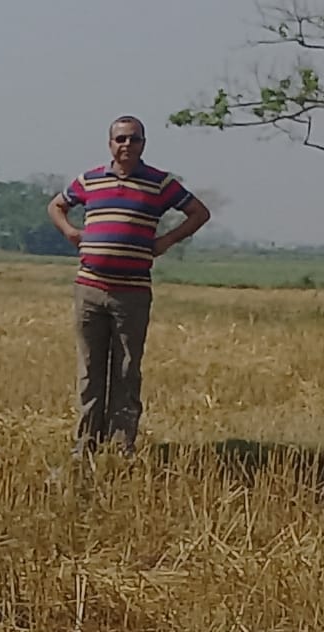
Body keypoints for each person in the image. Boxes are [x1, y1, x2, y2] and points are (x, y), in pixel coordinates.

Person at [48, 116, 211, 456]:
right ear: (110, 144)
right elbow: (57, 205)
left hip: (132, 293)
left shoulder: (159, 183)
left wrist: (166, 241)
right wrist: (71, 233)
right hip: (90, 289)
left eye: (133, 139)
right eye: (120, 139)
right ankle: (86, 445)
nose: (126, 145)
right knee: (90, 371)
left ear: (143, 144)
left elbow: (198, 212)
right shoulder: (90, 180)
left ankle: (121, 447)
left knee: (126, 370)